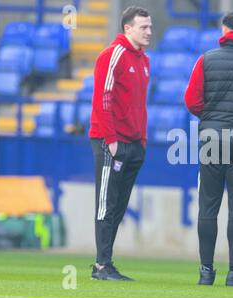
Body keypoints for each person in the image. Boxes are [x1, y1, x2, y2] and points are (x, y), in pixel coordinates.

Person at [184, 10, 233, 287]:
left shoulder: (206, 59)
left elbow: (191, 100)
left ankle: (206, 271)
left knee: (208, 206)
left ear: (225, 29)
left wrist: (212, 117)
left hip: (211, 141)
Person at [88, 6, 152, 281]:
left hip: (135, 143)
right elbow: (103, 99)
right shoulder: (112, 54)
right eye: (143, 27)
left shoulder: (144, 60)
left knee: (119, 205)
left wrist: (143, 140)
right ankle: (101, 266)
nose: (149, 31)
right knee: (106, 202)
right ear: (128, 28)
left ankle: (106, 262)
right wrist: (111, 140)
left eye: (150, 27)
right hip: (110, 141)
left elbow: (139, 105)